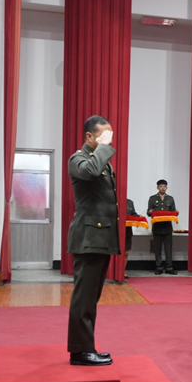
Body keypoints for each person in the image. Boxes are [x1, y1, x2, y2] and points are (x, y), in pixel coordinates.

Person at [66, 115, 119, 366]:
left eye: (111, 135)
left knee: (91, 298)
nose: (109, 140)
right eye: (103, 135)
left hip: (100, 237)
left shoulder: (102, 162)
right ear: (89, 136)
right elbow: (91, 172)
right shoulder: (78, 160)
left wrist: (103, 148)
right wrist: (104, 148)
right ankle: (80, 352)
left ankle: (87, 347)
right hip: (88, 238)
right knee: (84, 298)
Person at [147, 179, 177, 275]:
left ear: (167, 187)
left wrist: (176, 212)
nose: (163, 188)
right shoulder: (152, 198)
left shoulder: (170, 198)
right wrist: (150, 212)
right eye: (161, 186)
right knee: (157, 249)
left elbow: (173, 211)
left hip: (167, 227)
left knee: (168, 249)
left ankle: (169, 268)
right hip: (157, 227)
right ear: (157, 187)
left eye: (164, 186)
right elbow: (149, 212)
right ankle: (159, 267)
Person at [123, 198, 138, 279]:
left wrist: (138, 217)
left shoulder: (129, 202)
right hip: (116, 230)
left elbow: (133, 214)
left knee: (126, 252)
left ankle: (122, 271)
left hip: (127, 231)